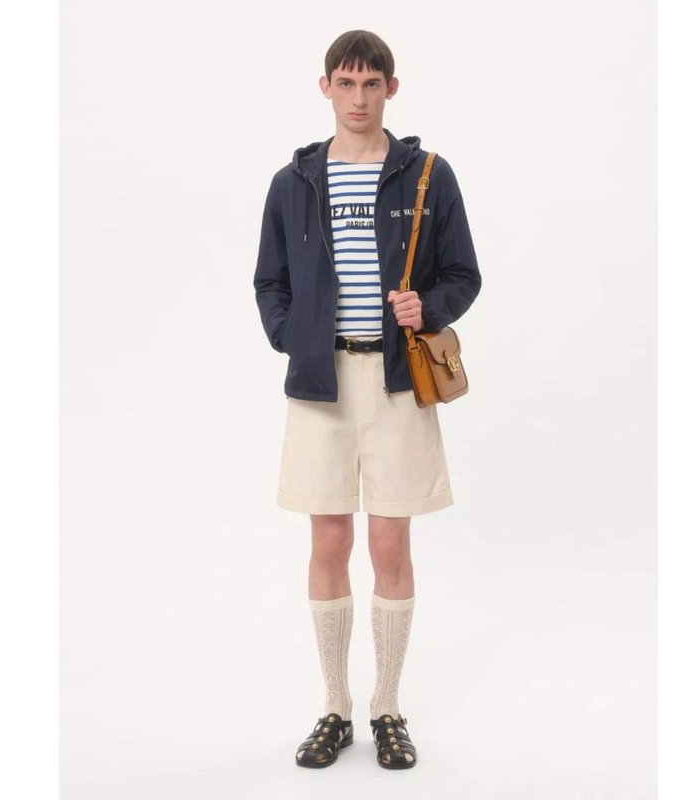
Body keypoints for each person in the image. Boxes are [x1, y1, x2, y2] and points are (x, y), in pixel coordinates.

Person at [253, 30, 482, 770]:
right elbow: (269, 280)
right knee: (328, 541)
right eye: (345, 84)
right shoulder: (294, 181)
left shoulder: (427, 176)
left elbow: (463, 273)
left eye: (371, 83)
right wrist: (293, 335)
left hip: (396, 382)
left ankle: (387, 705)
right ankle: (335, 707)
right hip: (320, 384)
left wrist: (429, 308)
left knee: (389, 543)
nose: (358, 98)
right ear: (325, 87)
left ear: (391, 88)